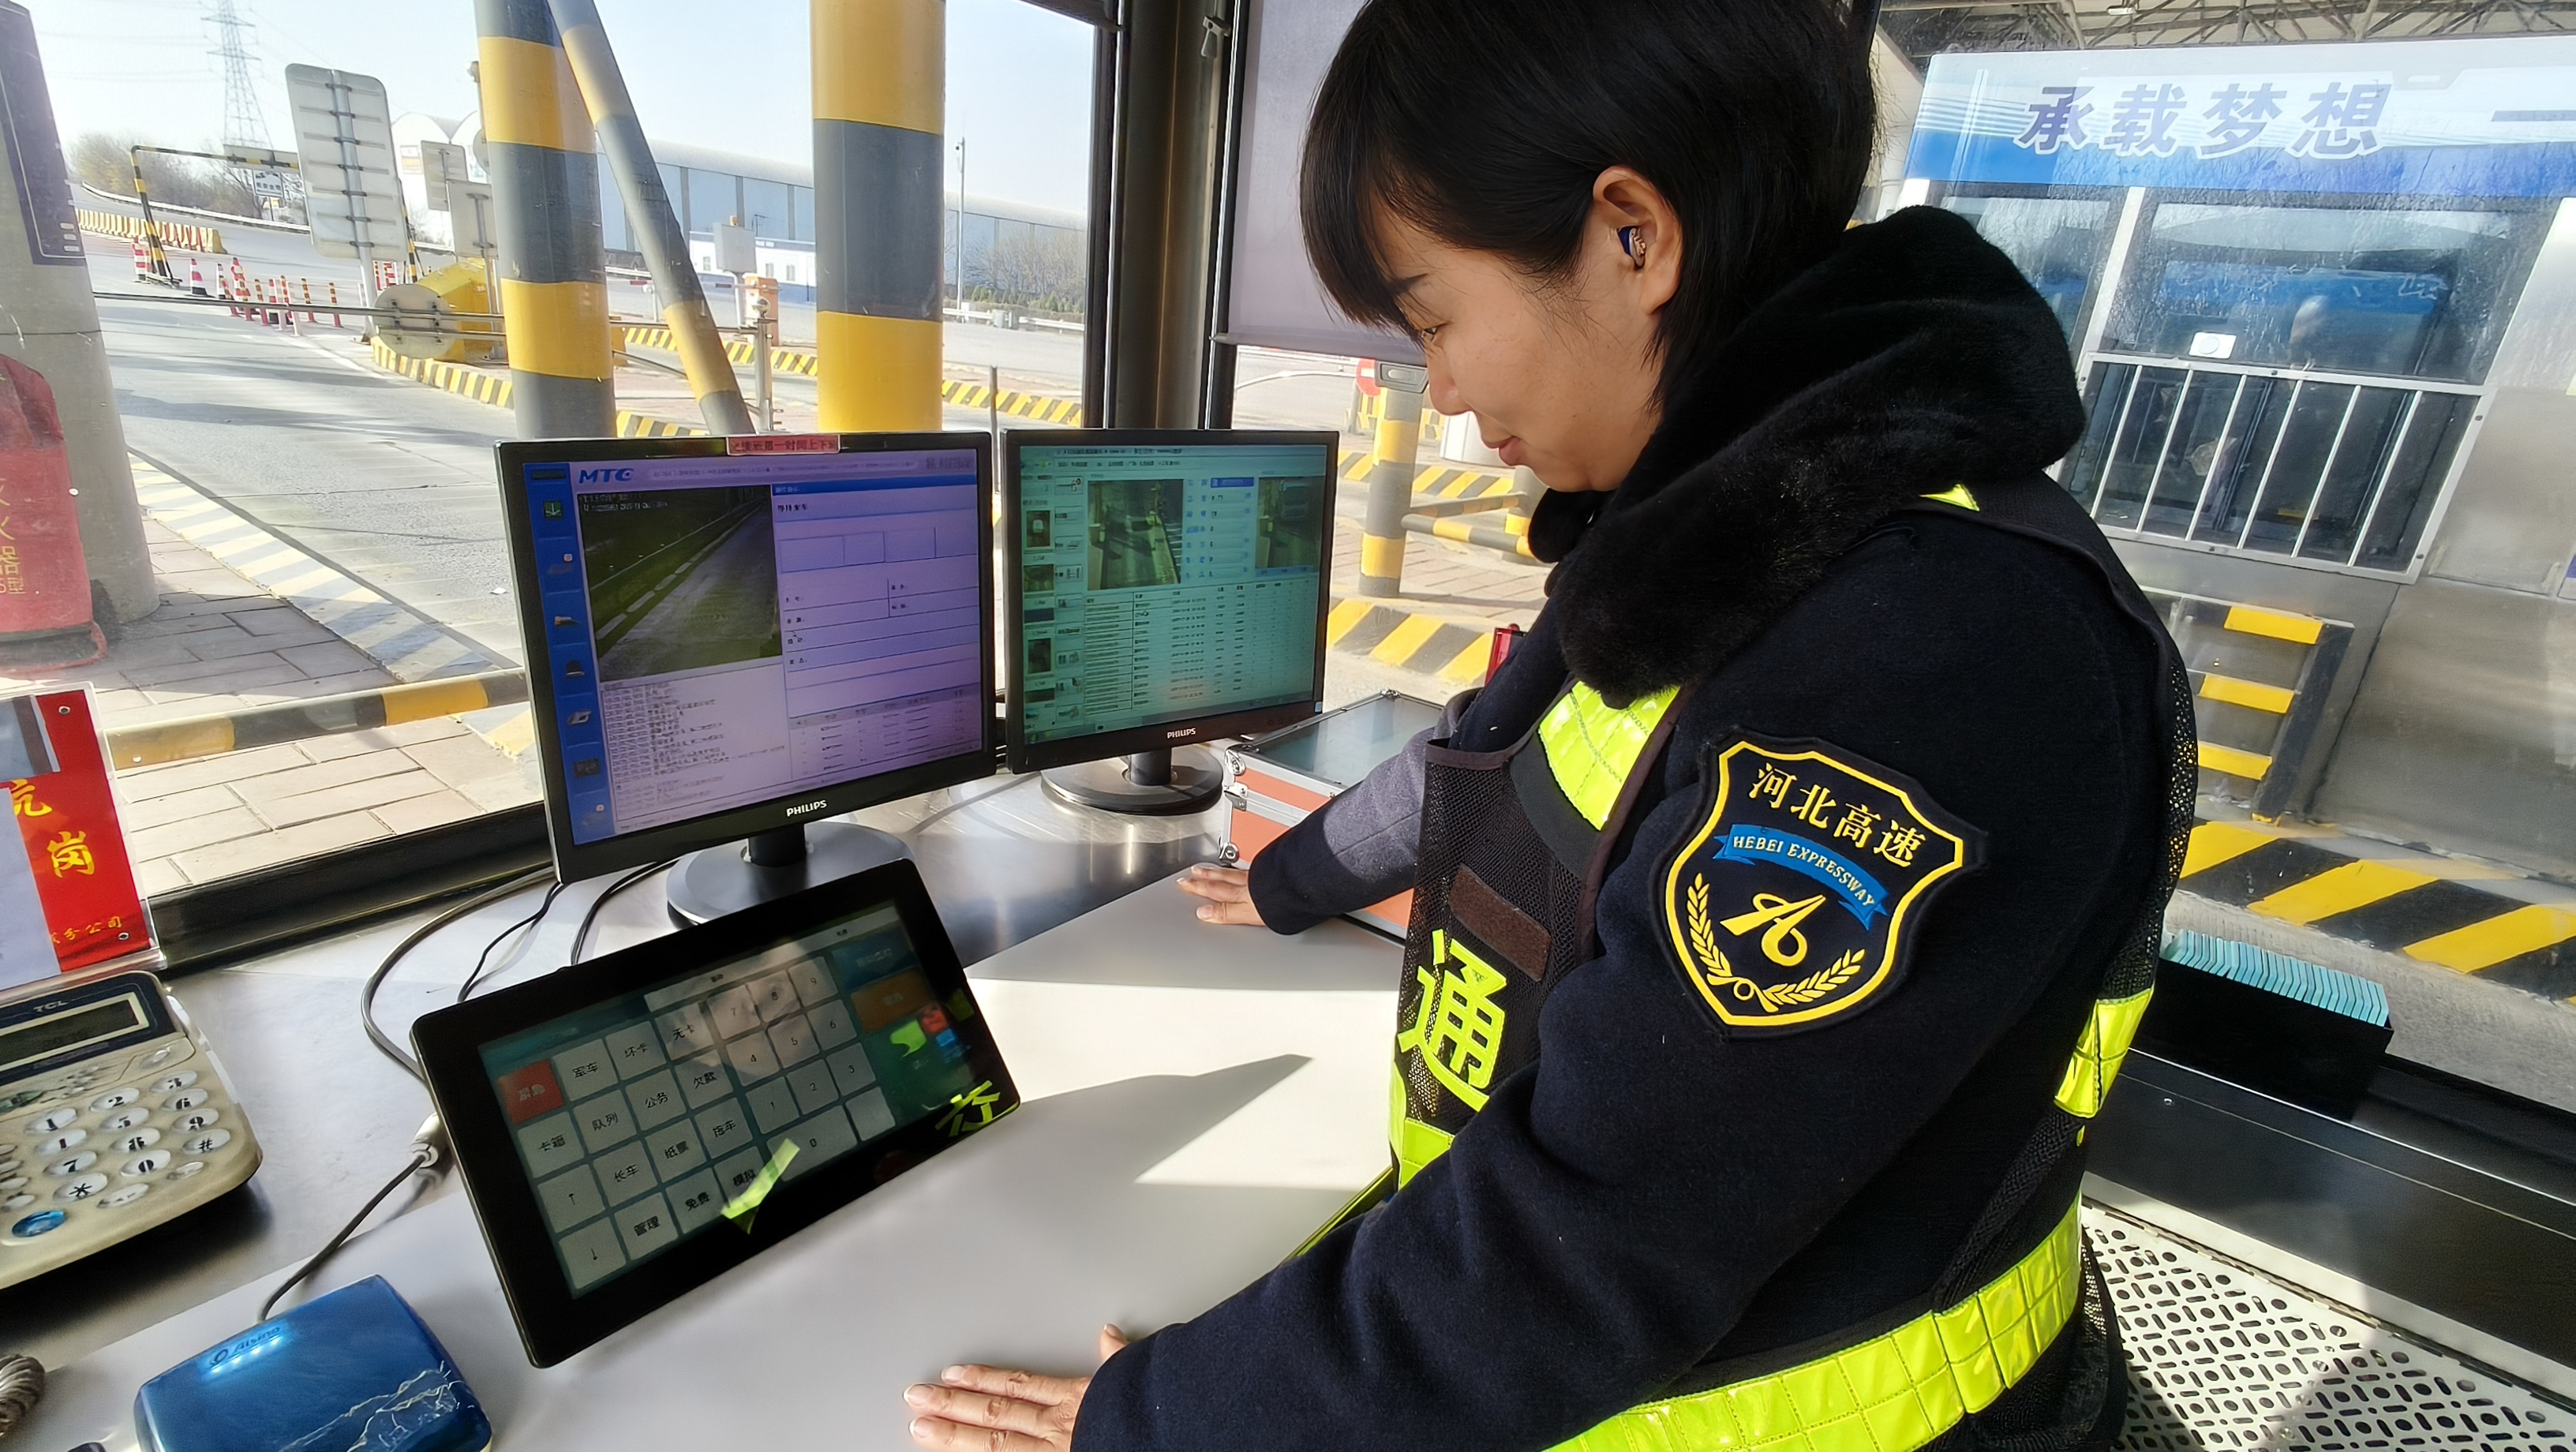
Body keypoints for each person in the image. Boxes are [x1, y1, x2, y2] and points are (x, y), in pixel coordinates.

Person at [904, 0, 2192, 1446]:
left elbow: (1581, 1248)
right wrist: (1285, 879)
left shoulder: (1930, 649)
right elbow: (1504, 752)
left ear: (1633, 235)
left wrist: (1167, 1419)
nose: (1447, 396)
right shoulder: (1734, 532)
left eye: (1435, 319)